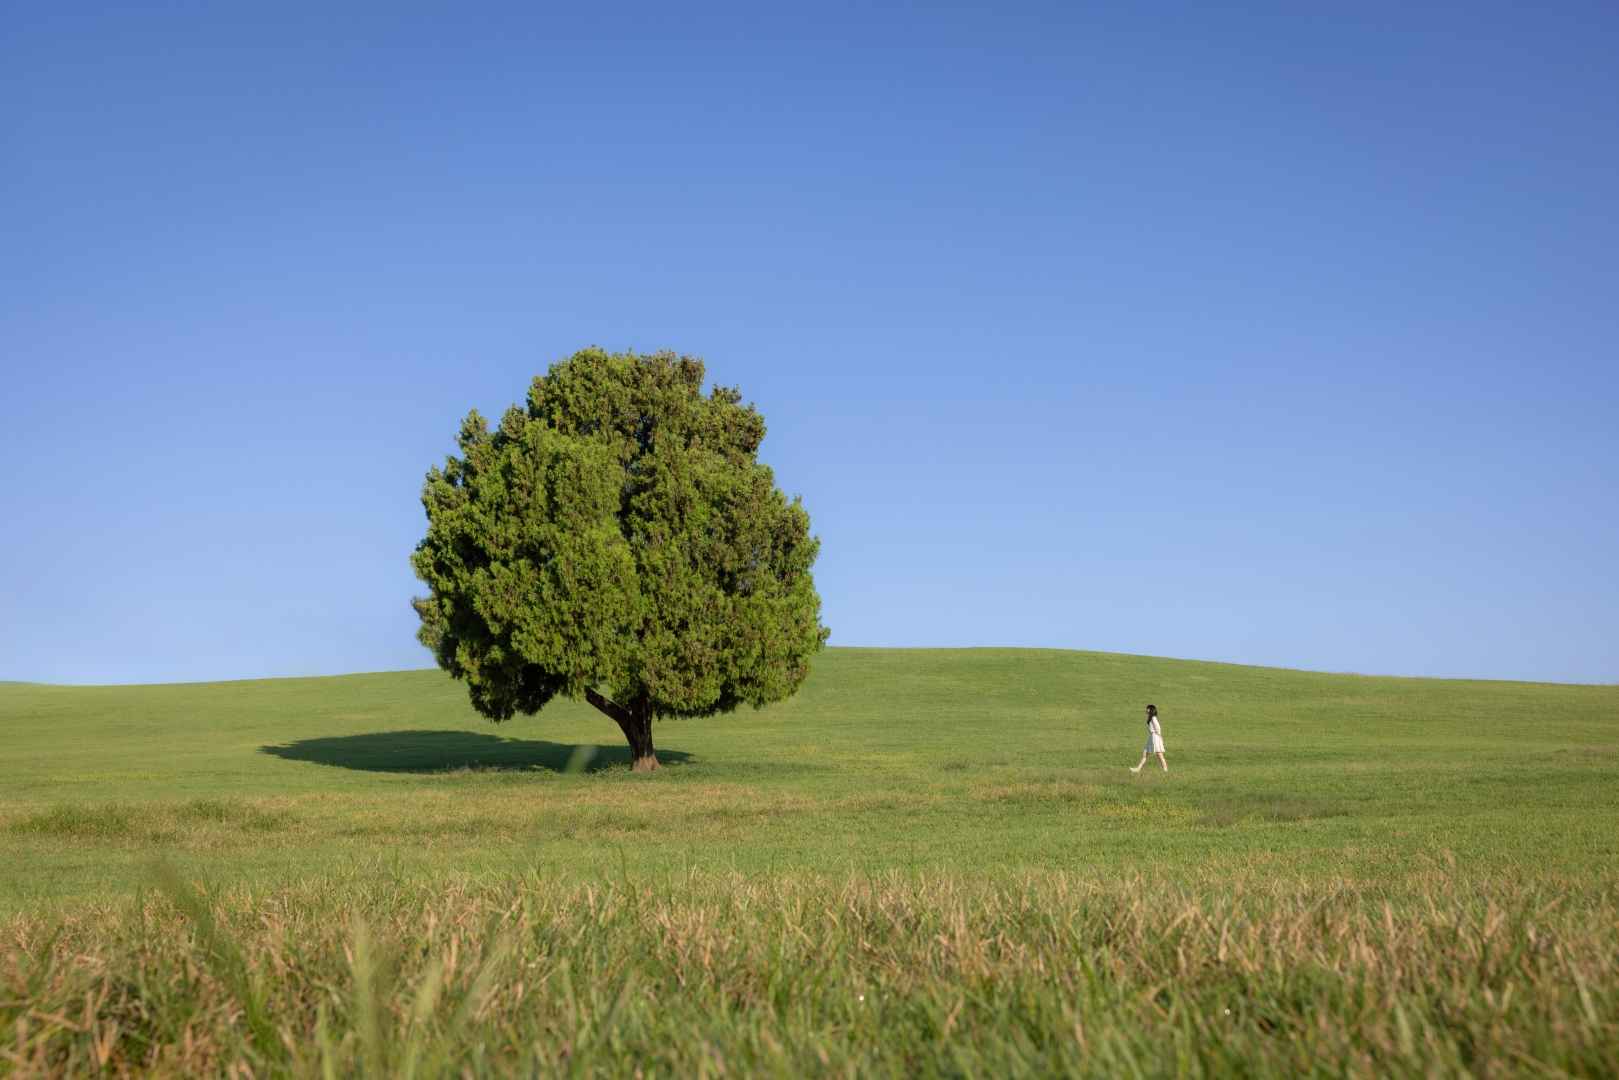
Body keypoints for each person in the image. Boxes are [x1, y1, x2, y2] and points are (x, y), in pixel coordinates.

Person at [1130, 704, 1167, 774]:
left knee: (1159, 754)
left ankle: (1165, 770)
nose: (1146, 710)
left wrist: (1160, 737)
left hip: (1155, 737)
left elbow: (1158, 728)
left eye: (1147, 708)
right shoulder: (1151, 718)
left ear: (1151, 710)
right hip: (1151, 737)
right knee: (1145, 753)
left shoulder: (1153, 718)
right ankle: (1138, 769)